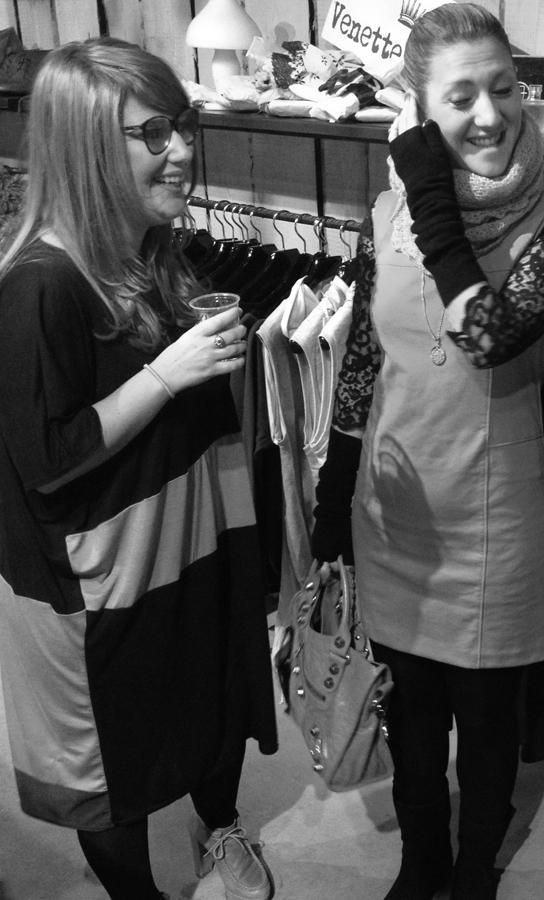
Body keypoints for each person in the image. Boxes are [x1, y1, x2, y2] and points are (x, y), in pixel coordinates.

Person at [309, 5, 544, 898]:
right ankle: (422, 855)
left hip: (493, 518)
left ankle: (474, 869)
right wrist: (334, 490)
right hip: (396, 515)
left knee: (487, 717)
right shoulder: (385, 213)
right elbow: (363, 358)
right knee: (414, 712)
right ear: (420, 111)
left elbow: (491, 335)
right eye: (462, 96)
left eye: (504, 89)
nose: (491, 114)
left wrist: (430, 199)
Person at [0, 38, 277, 900]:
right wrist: (166, 375)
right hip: (101, 579)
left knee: (213, 690)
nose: (182, 149)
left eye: (181, 125)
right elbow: (48, 458)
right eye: (152, 133)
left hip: (189, 535)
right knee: (112, 755)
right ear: (87, 145)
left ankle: (218, 825)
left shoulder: (152, 252)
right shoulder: (41, 285)